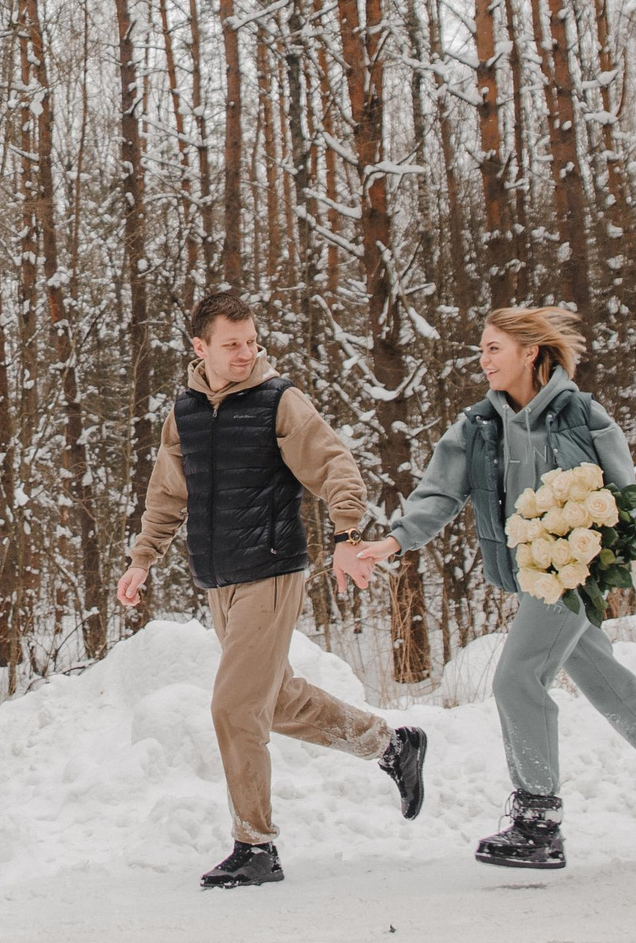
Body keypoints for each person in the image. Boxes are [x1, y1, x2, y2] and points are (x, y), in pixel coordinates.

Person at [345, 305, 636, 870]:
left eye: (493, 349)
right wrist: (393, 541)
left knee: (516, 678)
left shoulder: (582, 414)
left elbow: (624, 486)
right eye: (481, 350)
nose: (484, 360)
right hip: (531, 574)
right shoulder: (477, 426)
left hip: (579, 570)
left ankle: (538, 821)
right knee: (603, 679)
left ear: (530, 352)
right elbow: (439, 493)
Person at [115, 290, 427, 889]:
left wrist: (345, 531)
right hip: (218, 578)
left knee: (234, 707)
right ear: (199, 348)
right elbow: (166, 494)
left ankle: (256, 845)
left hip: (271, 570)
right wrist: (141, 560)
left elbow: (334, 463)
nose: (245, 353)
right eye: (231, 344)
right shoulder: (181, 414)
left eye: (251, 342)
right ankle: (392, 747)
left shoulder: (278, 402)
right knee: (276, 701)